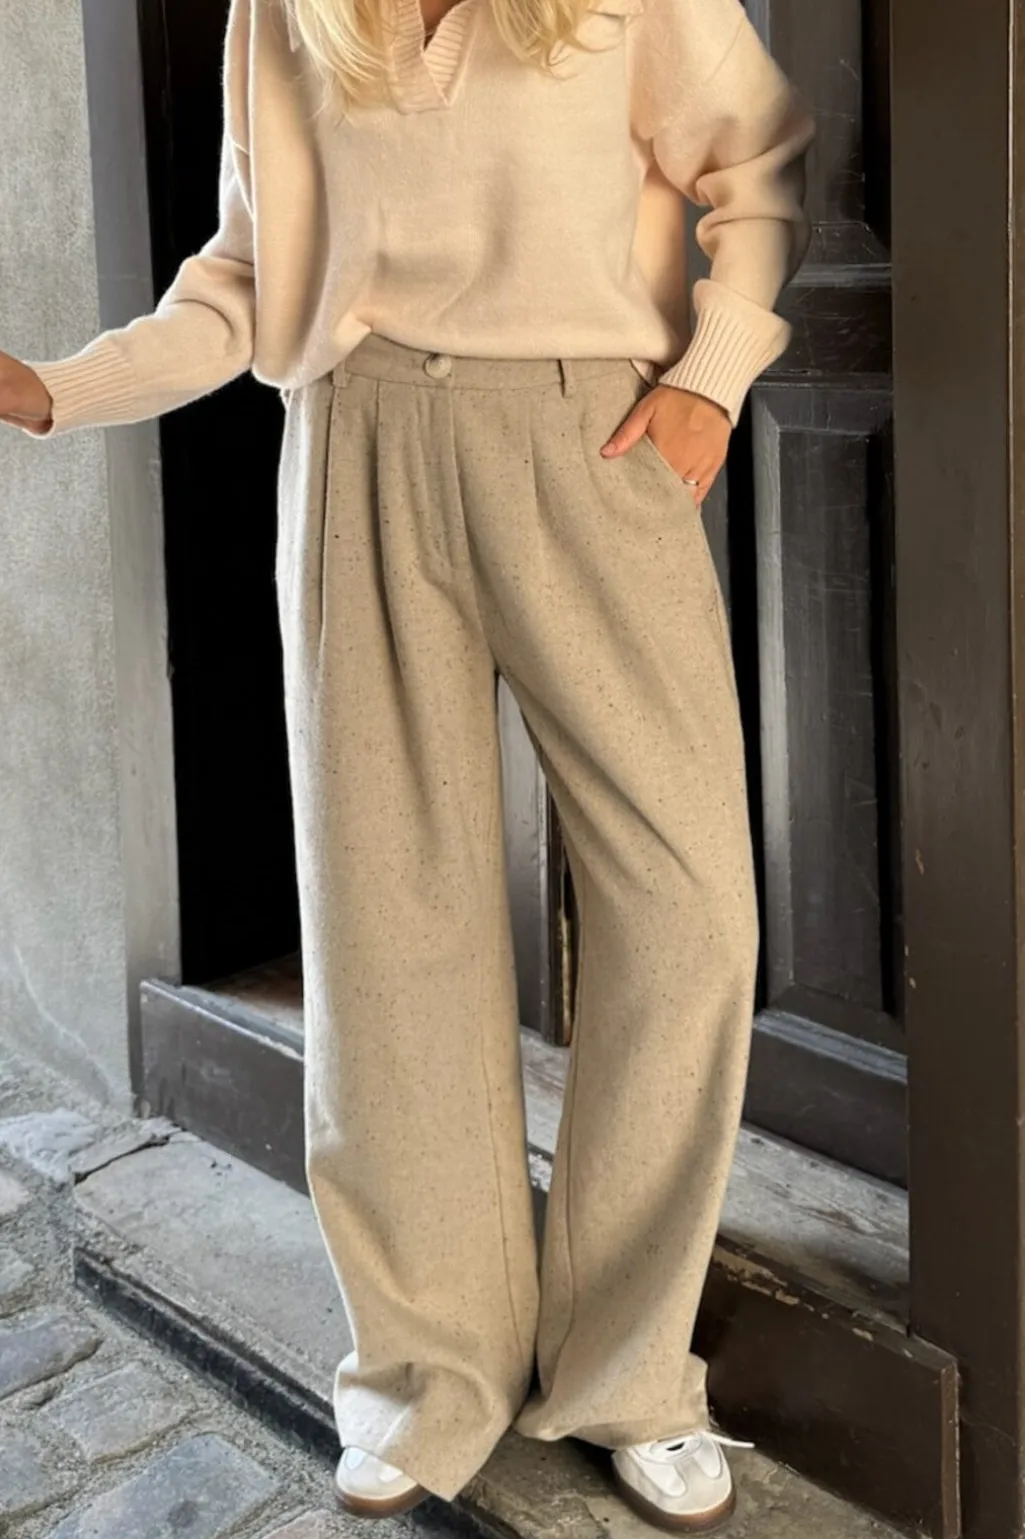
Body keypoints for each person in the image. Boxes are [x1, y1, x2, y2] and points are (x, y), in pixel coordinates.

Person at [0, 0, 814, 1528]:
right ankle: (426, 1372)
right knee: (387, 928)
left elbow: (755, 164)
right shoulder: (288, 13)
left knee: (690, 907)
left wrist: (712, 370)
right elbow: (248, 278)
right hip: (356, 437)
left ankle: (631, 1371)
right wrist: (56, 388)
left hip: (591, 431)